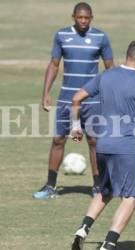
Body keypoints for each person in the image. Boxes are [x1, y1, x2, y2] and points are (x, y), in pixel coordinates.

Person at [70, 40, 135, 250]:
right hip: (125, 148)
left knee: (105, 191)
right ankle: (108, 244)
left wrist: (76, 127)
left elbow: (76, 99)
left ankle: (83, 229)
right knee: (131, 197)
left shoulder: (105, 76)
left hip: (102, 146)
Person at [33, 2, 114, 199]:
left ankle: (98, 187)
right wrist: (46, 92)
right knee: (58, 140)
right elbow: (54, 65)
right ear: (73, 17)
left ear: (91, 18)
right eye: (80, 17)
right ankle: (50, 186)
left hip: (92, 100)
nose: (83, 21)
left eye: (87, 18)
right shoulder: (61, 36)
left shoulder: (100, 37)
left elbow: (110, 68)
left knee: (94, 141)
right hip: (66, 100)